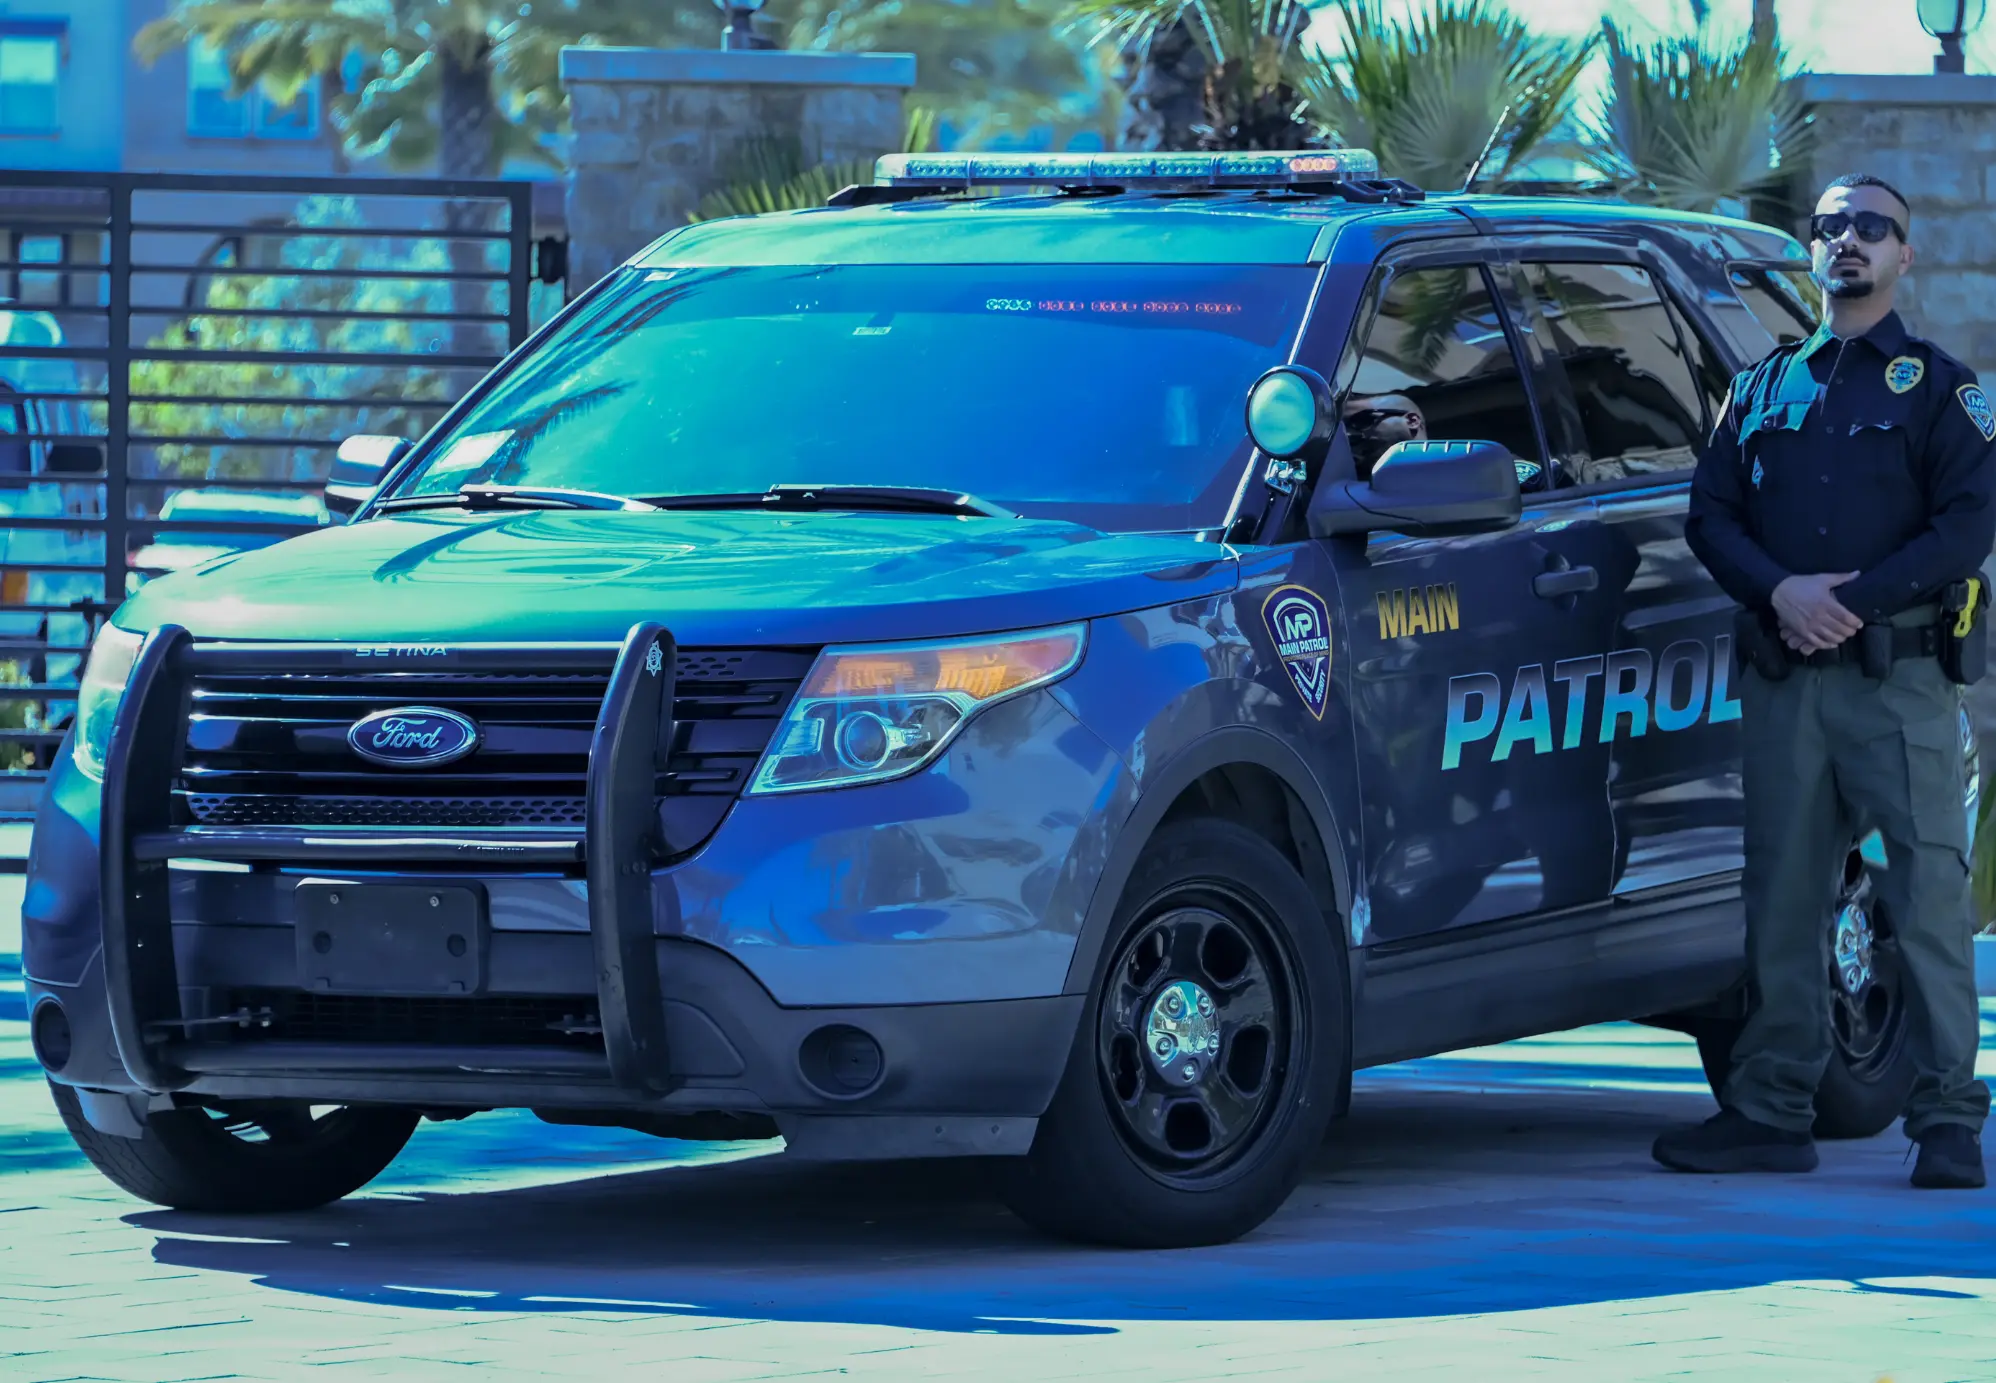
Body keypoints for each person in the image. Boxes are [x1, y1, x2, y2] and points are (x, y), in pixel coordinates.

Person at [1659, 173, 1996, 1189]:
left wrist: (1850, 598)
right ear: (1810, 251)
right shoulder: (1760, 388)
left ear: (1903, 255)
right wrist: (1781, 593)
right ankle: (1769, 1109)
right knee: (1783, 897)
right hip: (1787, 682)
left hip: (1894, 688)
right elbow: (1708, 516)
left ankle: (1945, 1121)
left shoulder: (1941, 390)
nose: (1847, 240)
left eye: (1871, 228)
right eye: (1831, 226)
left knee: (1925, 896)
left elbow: (1969, 524)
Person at [1343, 392, 1426, 476]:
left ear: (1412, 421)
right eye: (1344, 427)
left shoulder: (1438, 475)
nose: (1349, 434)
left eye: (1362, 420)